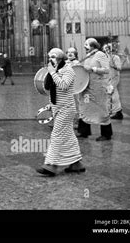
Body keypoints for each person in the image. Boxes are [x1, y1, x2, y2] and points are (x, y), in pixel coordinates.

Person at [36, 48, 85, 176]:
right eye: (49, 56)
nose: (50, 59)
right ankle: (76, 164)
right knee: (69, 137)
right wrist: (50, 73)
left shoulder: (68, 70)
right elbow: (48, 88)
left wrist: (52, 73)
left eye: (53, 57)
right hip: (58, 108)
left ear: (60, 58)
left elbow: (63, 85)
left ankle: (51, 165)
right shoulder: (55, 70)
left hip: (67, 109)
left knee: (56, 135)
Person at [77, 38, 113, 141]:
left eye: (86, 46)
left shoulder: (100, 55)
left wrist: (93, 69)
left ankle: (106, 134)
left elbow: (106, 70)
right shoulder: (88, 56)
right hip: (87, 87)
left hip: (98, 88)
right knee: (84, 107)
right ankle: (84, 131)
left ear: (93, 46)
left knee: (102, 110)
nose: (85, 48)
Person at [103, 44, 123, 119]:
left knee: (113, 93)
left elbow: (119, 68)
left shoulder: (115, 57)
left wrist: (113, 65)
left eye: (107, 48)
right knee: (110, 93)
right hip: (108, 78)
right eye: (104, 49)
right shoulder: (106, 57)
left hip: (114, 77)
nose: (106, 50)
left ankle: (117, 111)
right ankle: (113, 110)